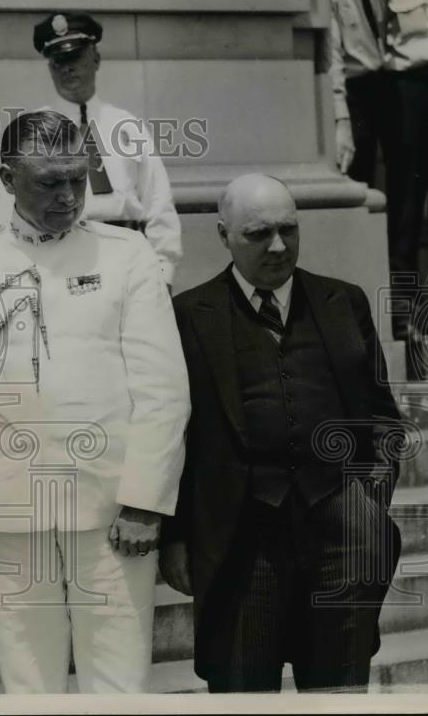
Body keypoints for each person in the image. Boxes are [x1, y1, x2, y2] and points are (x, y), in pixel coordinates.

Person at [0, 110, 190, 693]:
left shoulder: (128, 256)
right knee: (28, 680)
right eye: (49, 182)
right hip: (6, 502)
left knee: (119, 680)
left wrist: (145, 501)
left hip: (112, 507)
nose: (68, 196)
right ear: (8, 178)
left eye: (78, 178)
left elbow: (163, 388)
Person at [160, 173, 403, 692]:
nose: (277, 246)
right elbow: (173, 435)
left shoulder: (345, 302)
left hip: (340, 531)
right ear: (223, 234)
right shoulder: (187, 316)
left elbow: (382, 416)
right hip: (242, 540)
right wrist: (176, 535)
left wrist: (370, 494)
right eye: (258, 234)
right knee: (244, 692)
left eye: (289, 230)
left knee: (340, 689)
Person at [0, 12, 182, 286]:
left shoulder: (128, 126)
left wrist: (163, 275)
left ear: (96, 59)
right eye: (59, 62)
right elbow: (7, 218)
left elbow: (159, 205)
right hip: (58, 263)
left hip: (130, 261)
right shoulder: (30, 131)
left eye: (75, 58)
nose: (68, 69)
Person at [328, 0, 428, 345]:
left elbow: (417, 38)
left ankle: (406, 312)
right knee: (362, 199)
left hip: (405, 81)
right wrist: (341, 113)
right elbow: (332, 52)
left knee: (408, 204)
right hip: (359, 89)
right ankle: (370, 314)